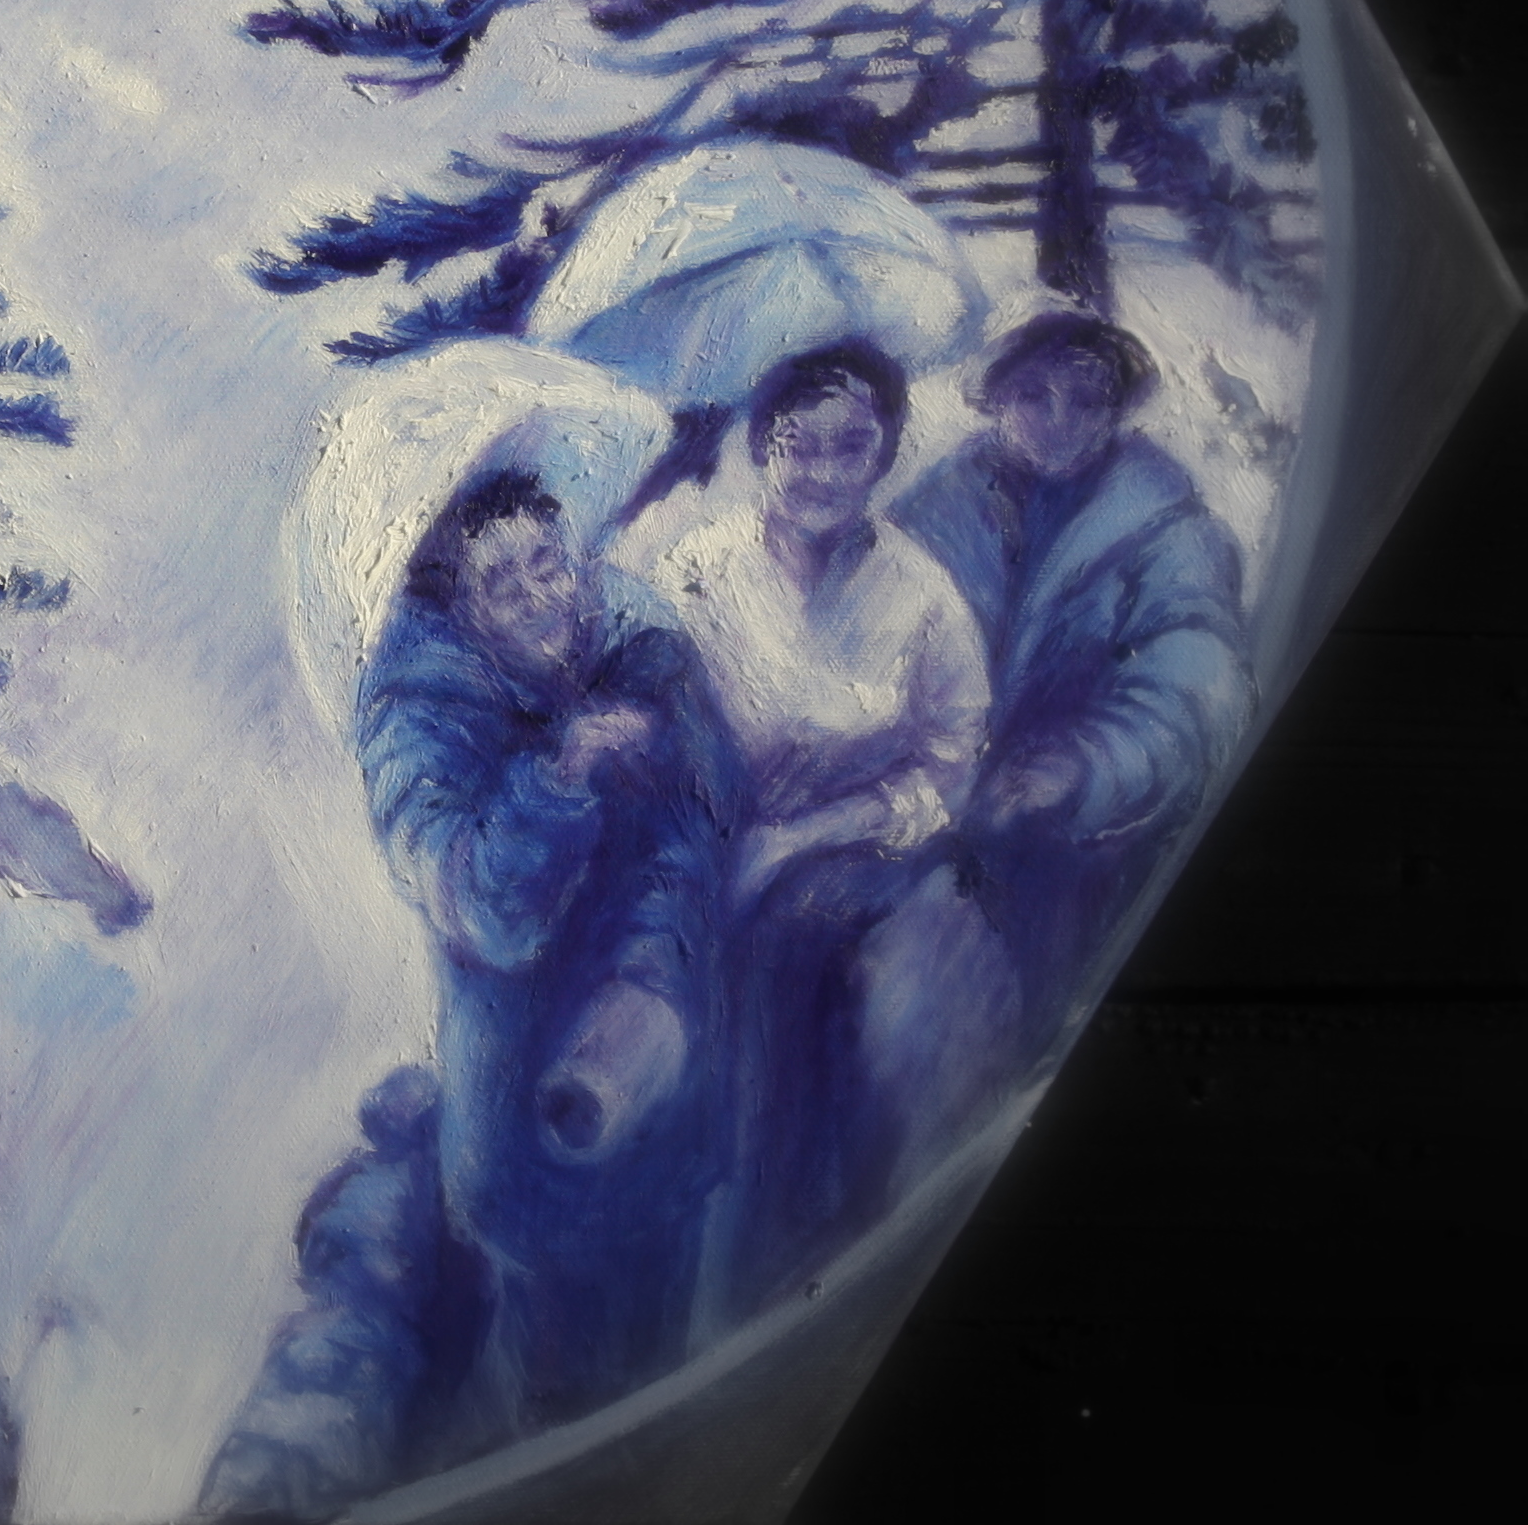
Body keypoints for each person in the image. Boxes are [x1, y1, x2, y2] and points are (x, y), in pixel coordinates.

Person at [349, 466, 734, 1446]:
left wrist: (650, 976)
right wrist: (560, 777)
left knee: (674, 1385)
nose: (537, 597)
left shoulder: (641, 648)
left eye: (545, 564)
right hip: (527, 1124)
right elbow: (482, 912)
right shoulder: (415, 717)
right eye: (501, 583)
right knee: (566, 1413)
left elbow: (711, 818)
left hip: (663, 1085)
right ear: (458, 606)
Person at [653, 340, 996, 1316]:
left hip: (861, 868)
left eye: (851, 447)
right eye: (797, 445)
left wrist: (809, 834)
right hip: (703, 862)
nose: (822, 472)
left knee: (847, 1008)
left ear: (885, 455)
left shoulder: (919, 595)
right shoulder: (697, 575)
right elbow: (655, 732)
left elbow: (950, 764)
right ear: (761, 447)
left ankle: (827, 1271)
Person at [894, 312, 1254, 1062]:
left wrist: (1086, 762)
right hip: (936, 806)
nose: (1058, 420)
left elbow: (1201, 681)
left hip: (1086, 836)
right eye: (1033, 395)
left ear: (1117, 412)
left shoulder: (1168, 528)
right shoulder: (933, 511)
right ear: (994, 398)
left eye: (1087, 401)